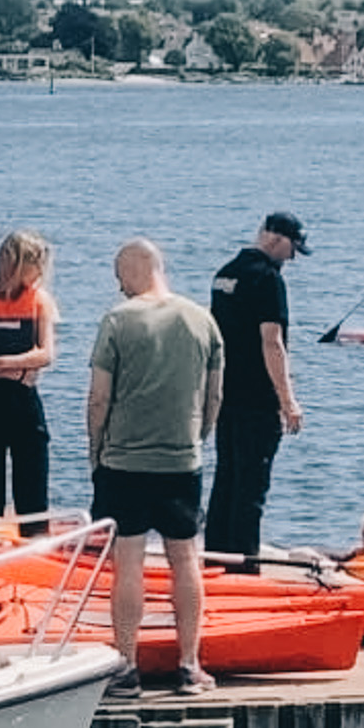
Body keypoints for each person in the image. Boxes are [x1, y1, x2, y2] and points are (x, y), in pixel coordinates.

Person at [86, 238, 224, 698]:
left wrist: (95, 450)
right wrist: (197, 439)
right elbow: (214, 396)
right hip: (181, 459)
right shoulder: (202, 320)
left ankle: (126, 665)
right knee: (185, 559)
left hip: (124, 460)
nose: (118, 286)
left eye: (119, 275)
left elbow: (100, 396)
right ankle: (189, 663)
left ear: (134, 270)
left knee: (127, 562)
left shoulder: (118, 320)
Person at [203, 211, 307, 562]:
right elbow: (271, 341)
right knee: (251, 488)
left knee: (226, 480)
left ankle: (215, 558)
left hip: (225, 394)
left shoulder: (225, 274)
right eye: (292, 249)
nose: (291, 258)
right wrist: (288, 401)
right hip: (258, 399)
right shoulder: (268, 279)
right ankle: (244, 567)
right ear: (276, 239)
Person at [0, 229, 57, 533]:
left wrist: (1, 364)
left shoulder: (39, 301)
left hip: (23, 400)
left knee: (32, 486)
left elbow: (44, 355)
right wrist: (10, 366)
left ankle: (35, 545)